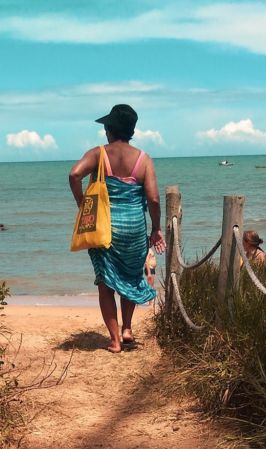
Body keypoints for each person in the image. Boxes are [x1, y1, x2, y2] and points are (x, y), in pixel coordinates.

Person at [69, 104, 166, 353]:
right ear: (131, 130)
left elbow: (74, 175)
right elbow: (154, 199)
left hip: (104, 228)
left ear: (110, 129)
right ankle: (127, 329)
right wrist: (156, 228)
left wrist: (83, 206)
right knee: (131, 276)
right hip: (134, 227)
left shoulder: (98, 154)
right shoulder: (143, 159)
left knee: (106, 283)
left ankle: (114, 341)